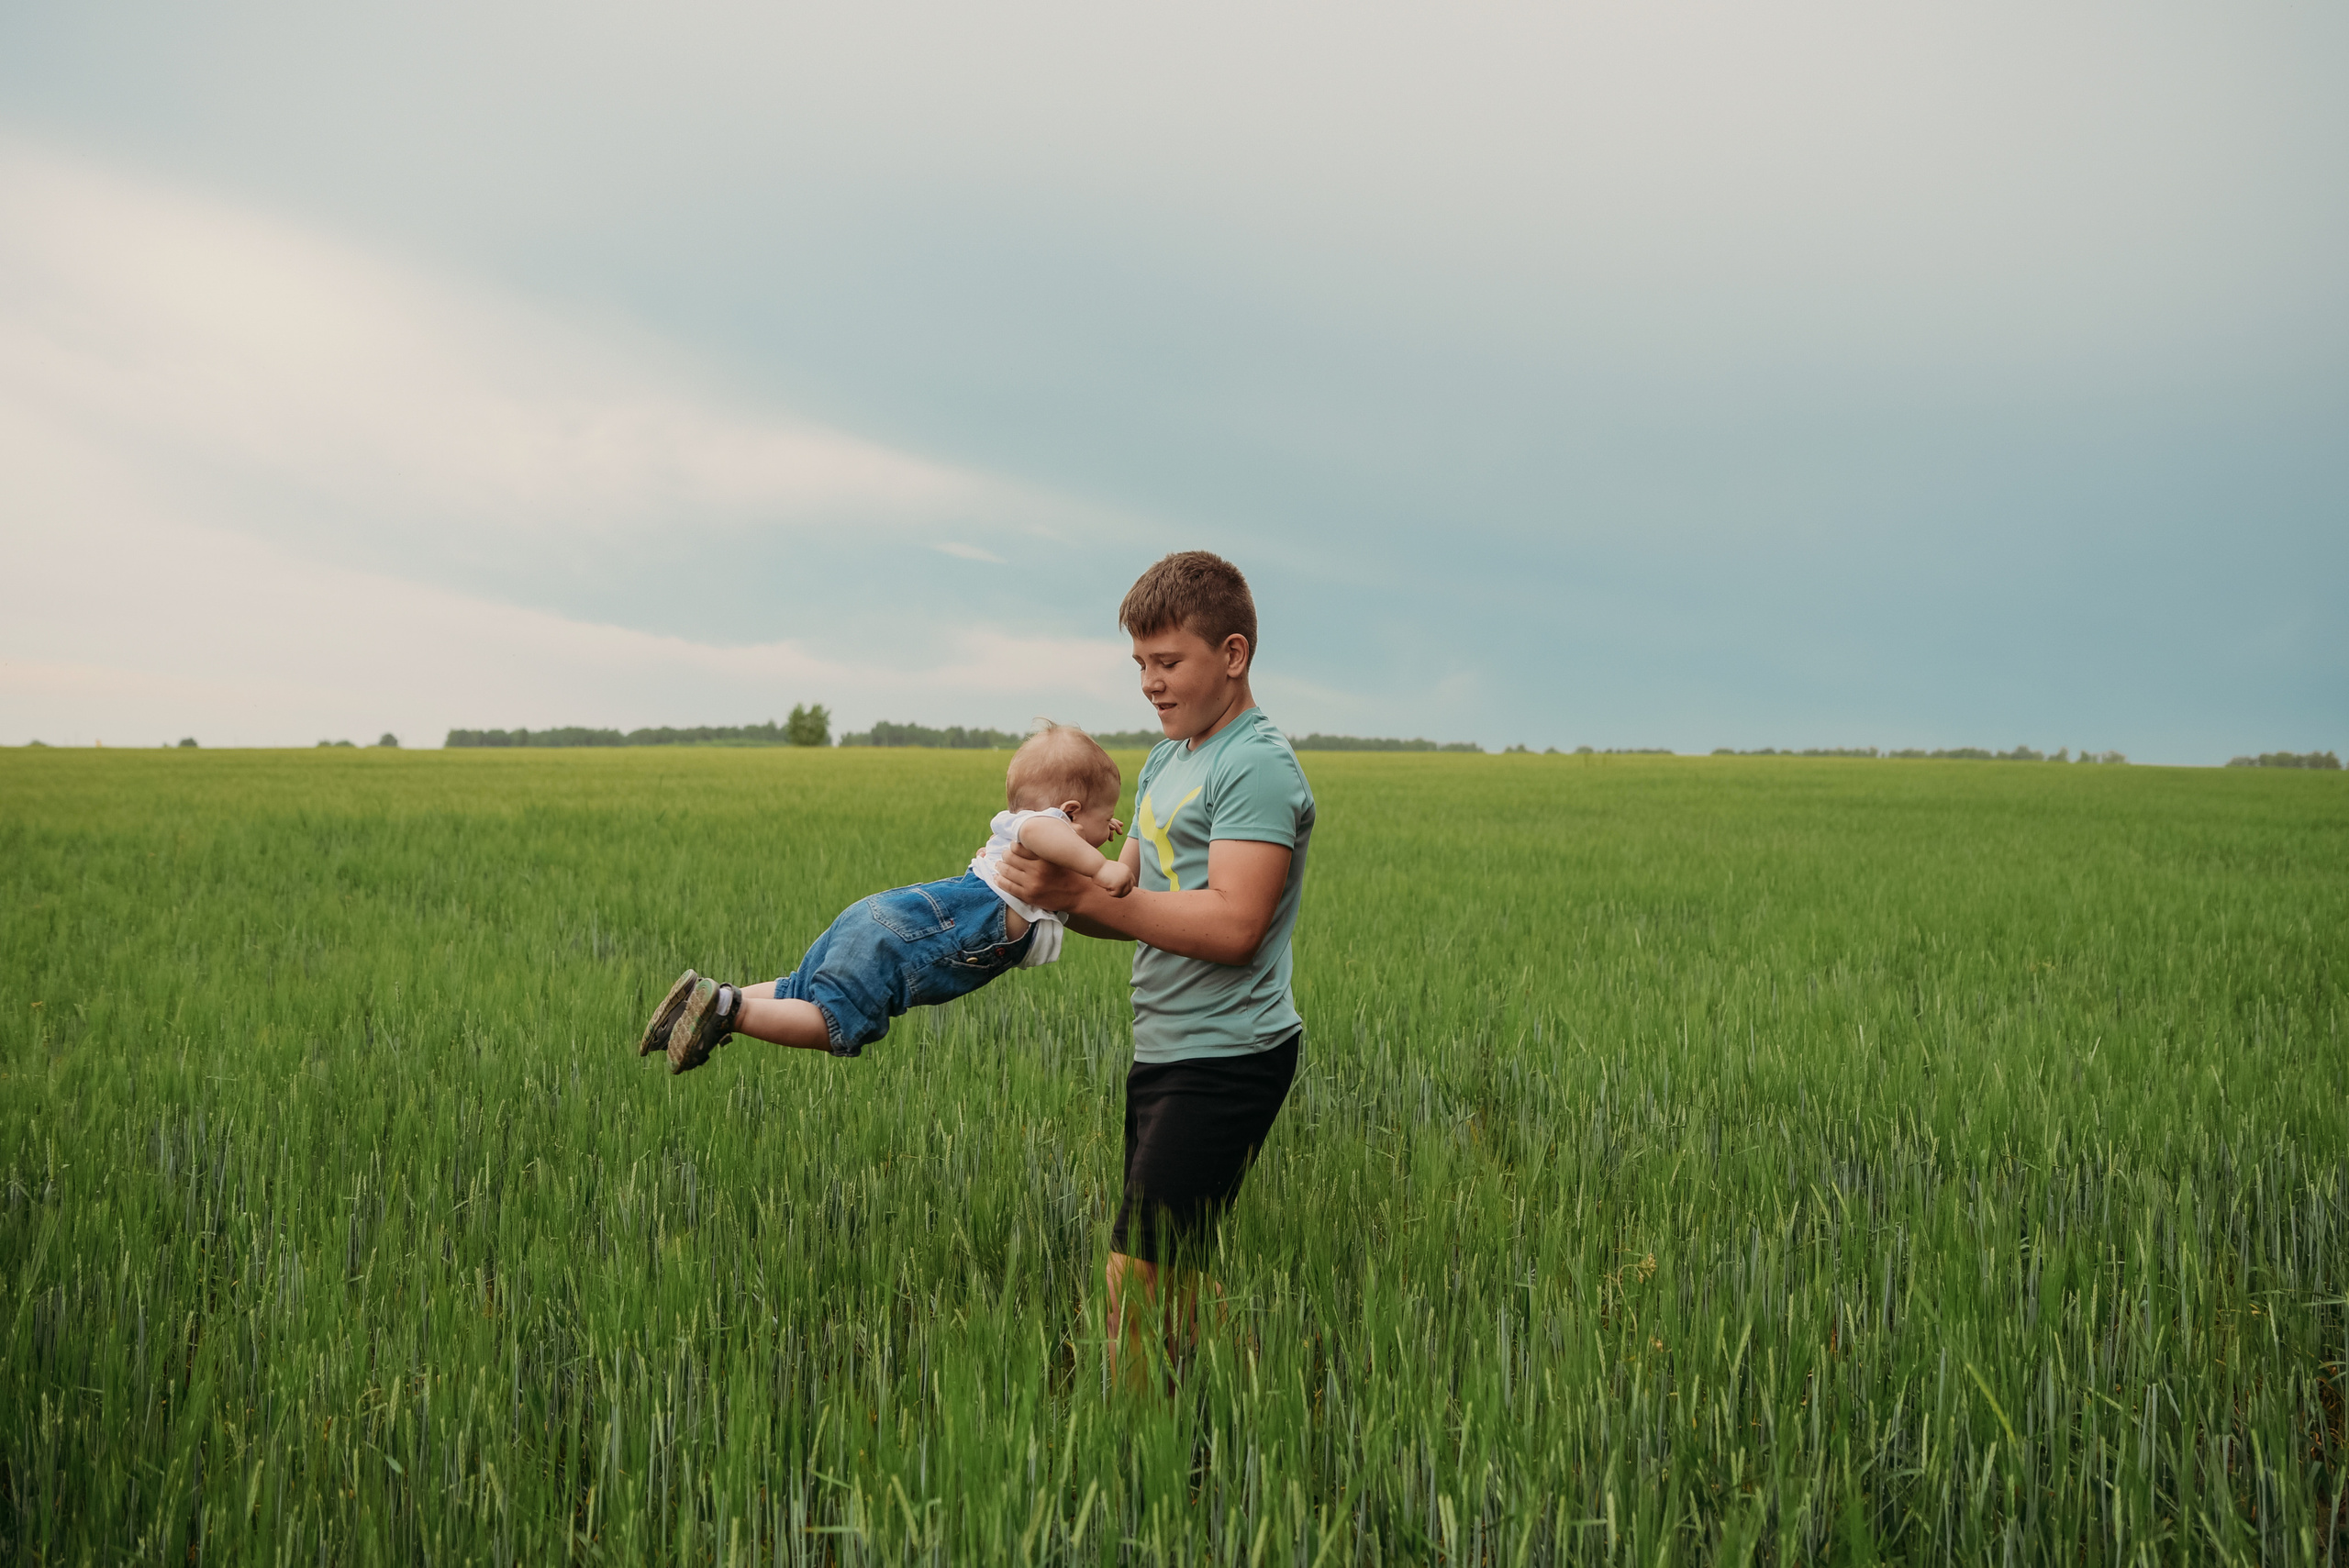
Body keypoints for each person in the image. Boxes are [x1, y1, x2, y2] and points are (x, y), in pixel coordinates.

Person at [994, 550, 1314, 1379]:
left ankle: (1139, 1480)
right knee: (1176, 1279)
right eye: (1140, 663)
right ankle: (1272, 1403)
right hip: (1167, 1046)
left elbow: (1236, 925)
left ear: (1234, 655)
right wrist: (1046, 889)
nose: (1150, 682)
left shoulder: (1256, 764)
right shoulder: (1168, 759)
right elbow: (1124, 894)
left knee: (1130, 1283)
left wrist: (1084, 897)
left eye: (1168, 661)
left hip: (1230, 1056)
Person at [637, 723, 1134, 1071]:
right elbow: (1054, 835)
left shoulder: (1020, 832)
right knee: (836, 1022)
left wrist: (1094, 830)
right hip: (904, 937)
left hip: (883, 915)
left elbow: (1063, 832)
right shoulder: (1043, 832)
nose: (1106, 832)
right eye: (1101, 820)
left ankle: (695, 1003)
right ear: (1068, 813)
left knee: (798, 990)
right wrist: (1101, 866)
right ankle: (727, 1009)